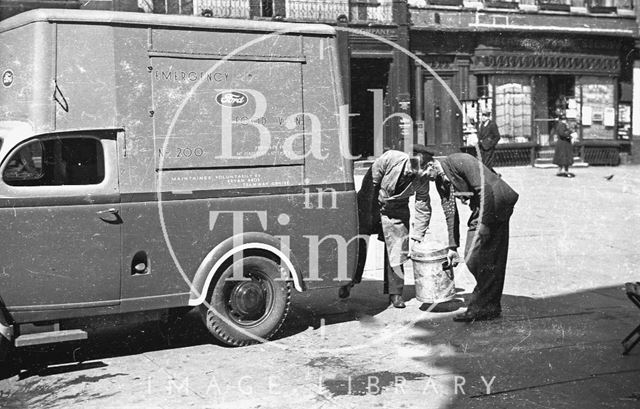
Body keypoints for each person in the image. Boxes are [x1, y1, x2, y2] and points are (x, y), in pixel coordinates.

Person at [340, 146, 459, 308]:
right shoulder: (390, 158)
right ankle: (349, 282)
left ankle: (395, 294)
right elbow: (370, 184)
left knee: (397, 249)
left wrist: (418, 236)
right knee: (359, 243)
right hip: (370, 203)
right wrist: (367, 215)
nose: (418, 172)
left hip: (396, 210)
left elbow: (422, 204)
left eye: (424, 167)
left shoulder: (422, 177)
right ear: (411, 157)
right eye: (417, 165)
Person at [422, 152, 519, 322]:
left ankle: (479, 308)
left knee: (475, 255)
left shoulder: (459, 160)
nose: (424, 180)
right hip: (483, 207)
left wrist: (484, 225)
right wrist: (452, 247)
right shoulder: (440, 181)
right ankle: (490, 306)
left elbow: (485, 189)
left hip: (497, 201)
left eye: (423, 175)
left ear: (430, 166)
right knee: (484, 259)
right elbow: (450, 213)